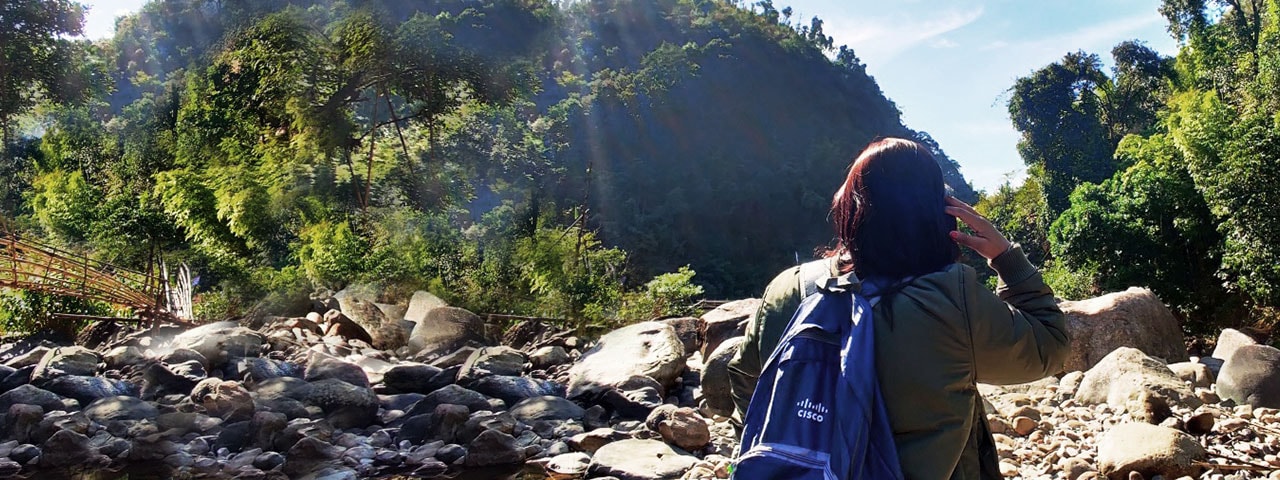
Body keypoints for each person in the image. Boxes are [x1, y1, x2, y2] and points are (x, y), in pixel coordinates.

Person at [726, 137, 1070, 479]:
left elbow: (744, 377)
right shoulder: (951, 300)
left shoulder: (790, 289)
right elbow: (1050, 346)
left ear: (849, 208)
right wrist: (1006, 258)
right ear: (938, 214)